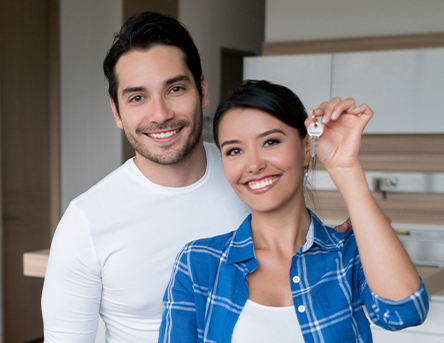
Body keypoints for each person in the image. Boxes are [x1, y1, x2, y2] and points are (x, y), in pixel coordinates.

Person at [42, 12, 353, 342]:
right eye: (137, 97)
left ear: (202, 90)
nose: (160, 114)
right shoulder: (86, 221)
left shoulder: (251, 174)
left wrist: (333, 244)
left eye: (175, 88)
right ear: (117, 112)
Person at [158, 80, 428, 343]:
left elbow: (404, 312)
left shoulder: (349, 254)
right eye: (235, 150)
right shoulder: (199, 263)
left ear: (306, 147)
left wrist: (345, 168)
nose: (253, 164)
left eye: (271, 142)